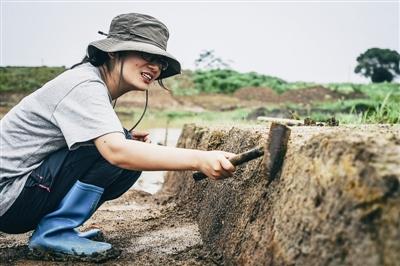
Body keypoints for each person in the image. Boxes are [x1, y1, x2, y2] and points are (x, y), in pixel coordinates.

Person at [0, 13, 236, 260]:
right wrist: (200, 159)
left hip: (18, 196)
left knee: (126, 143)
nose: (155, 67)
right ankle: (53, 232)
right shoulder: (85, 85)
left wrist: (124, 138)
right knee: (116, 149)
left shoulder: (93, 83)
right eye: (147, 56)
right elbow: (115, 151)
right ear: (114, 52)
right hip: (9, 197)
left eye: (161, 62)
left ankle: (57, 228)